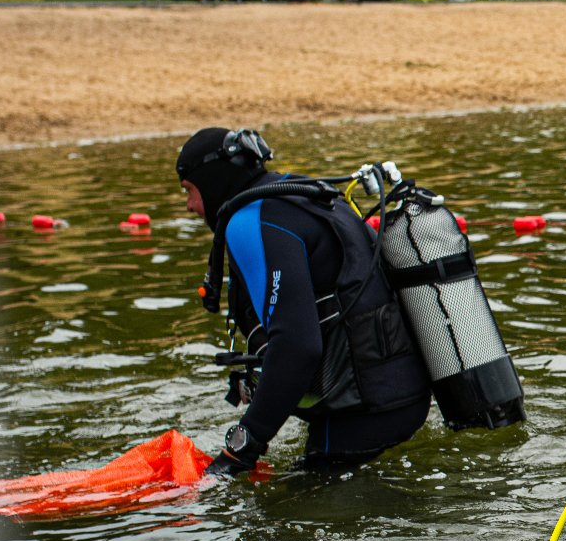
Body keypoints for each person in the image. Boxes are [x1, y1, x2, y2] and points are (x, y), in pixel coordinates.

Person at [176, 127, 431, 477]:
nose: (189, 206)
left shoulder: (249, 221)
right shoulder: (303, 196)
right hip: (407, 394)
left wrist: (239, 452)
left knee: (282, 520)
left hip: (364, 415)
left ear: (212, 180)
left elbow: (297, 347)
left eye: (189, 190)